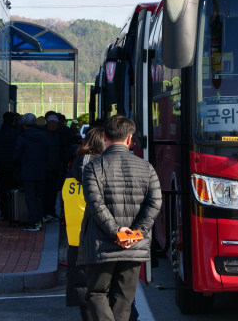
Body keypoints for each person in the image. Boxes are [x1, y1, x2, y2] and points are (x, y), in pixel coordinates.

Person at [78, 115, 162, 321]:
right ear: (129, 139)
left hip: (101, 244)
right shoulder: (147, 167)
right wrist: (136, 232)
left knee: (97, 293)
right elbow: (155, 203)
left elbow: (95, 204)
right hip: (134, 246)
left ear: (105, 136)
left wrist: (116, 231)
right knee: (124, 298)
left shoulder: (93, 168)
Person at [65, 128, 106, 321]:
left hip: (76, 241)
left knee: (83, 290)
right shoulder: (104, 173)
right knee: (106, 291)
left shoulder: (71, 174)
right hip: (103, 238)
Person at [13, 113, 47, 232]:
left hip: (27, 171)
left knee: (30, 197)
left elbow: (16, 154)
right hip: (41, 170)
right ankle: (38, 220)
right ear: (35, 123)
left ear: (23, 124)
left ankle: (32, 223)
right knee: (38, 196)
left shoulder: (21, 137)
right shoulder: (42, 136)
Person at [0, 112, 20, 220]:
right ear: (14, 121)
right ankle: (13, 211)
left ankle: (3, 211)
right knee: (14, 188)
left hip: (2, 166)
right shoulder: (17, 134)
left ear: (3, 120)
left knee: (3, 189)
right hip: (14, 166)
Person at [43, 115, 66, 222]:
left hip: (55, 167)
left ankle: (50, 211)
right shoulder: (43, 135)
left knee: (53, 191)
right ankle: (46, 212)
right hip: (46, 168)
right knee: (46, 191)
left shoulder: (58, 136)